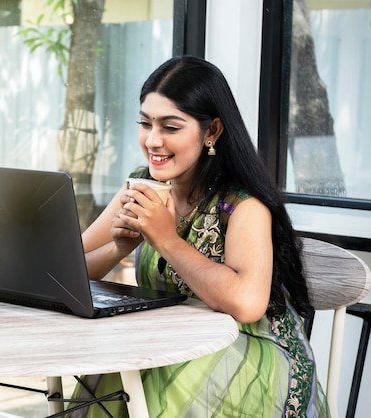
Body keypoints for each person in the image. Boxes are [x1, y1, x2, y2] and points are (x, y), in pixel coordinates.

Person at [68, 56, 329, 417]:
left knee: (143, 375)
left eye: (171, 127)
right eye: (145, 124)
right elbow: (66, 268)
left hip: (248, 360)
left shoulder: (242, 206)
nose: (152, 140)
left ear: (212, 131)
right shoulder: (142, 185)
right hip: (171, 346)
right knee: (121, 364)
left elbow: (246, 304)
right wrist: (118, 248)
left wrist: (167, 240)